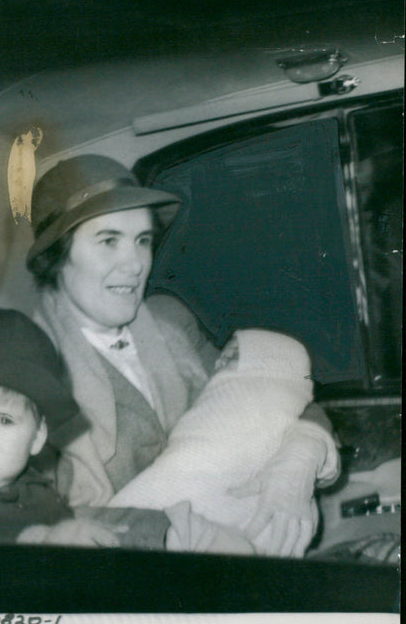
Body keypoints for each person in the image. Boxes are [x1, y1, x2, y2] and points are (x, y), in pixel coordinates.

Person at [26, 154, 340, 557]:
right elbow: (36, 523)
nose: (135, 263)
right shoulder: (27, 366)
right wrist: (184, 535)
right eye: (109, 241)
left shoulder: (170, 323)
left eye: (142, 240)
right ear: (56, 257)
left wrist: (300, 457)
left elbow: (265, 396)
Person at [0, 309, 254, 555]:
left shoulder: (34, 487)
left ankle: (185, 536)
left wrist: (160, 530)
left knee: (139, 528)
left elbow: (75, 525)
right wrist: (41, 538)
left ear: (37, 437)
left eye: (4, 421)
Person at [109, 329, 338, 556]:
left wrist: (307, 443)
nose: (222, 361)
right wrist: (180, 533)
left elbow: (293, 388)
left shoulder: (181, 341)